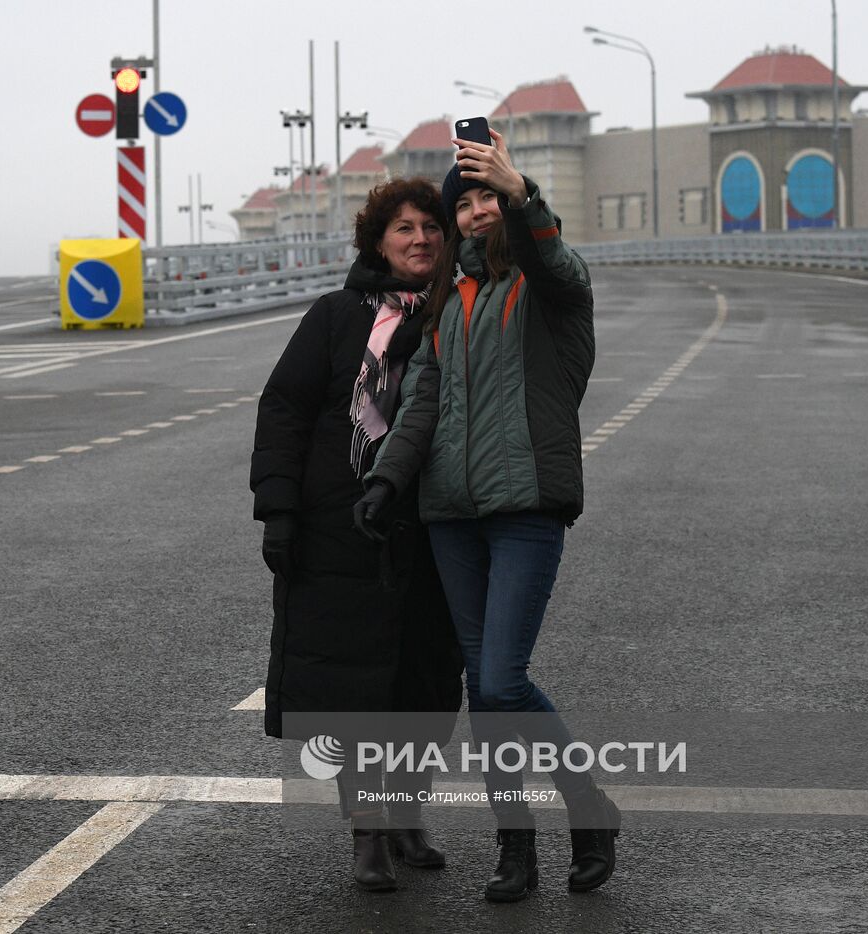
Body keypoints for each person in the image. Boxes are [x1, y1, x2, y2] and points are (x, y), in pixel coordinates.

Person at [354, 128, 620, 902]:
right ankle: (516, 848)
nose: (473, 213)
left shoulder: (551, 288)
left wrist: (522, 192)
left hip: (526, 505)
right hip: (450, 514)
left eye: (486, 199)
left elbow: (552, 256)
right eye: (462, 203)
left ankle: (587, 805)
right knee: (485, 684)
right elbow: (423, 402)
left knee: (503, 681)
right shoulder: (450, 299)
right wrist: (388, 481)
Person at [251, 178, 463, 893]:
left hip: (435, 529)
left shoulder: (461, 315)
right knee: (358, 688)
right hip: (340, 529)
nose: (420, 240)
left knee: (427, 682)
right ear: (377, 241)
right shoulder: (338, 317)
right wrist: (278, 508)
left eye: (431, 229)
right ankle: (369, 832)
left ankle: (407, 813)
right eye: (404, 229)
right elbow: (284, 407)